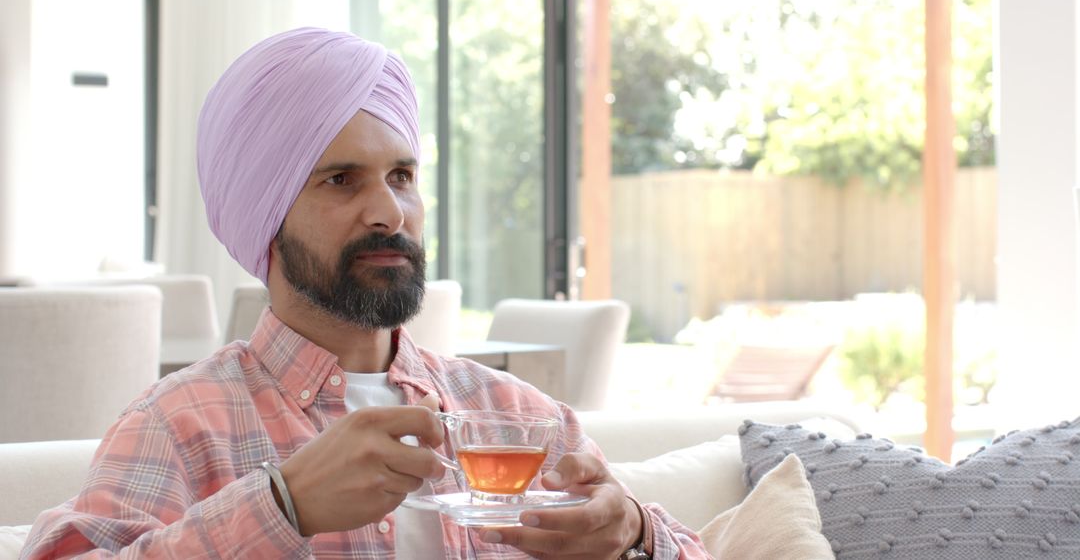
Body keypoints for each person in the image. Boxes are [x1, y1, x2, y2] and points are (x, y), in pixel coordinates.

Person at [20, 27, 709, 559]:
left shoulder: (515, 415)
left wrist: (635, 534)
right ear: (266, 214)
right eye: (340, 180)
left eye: (402, 176)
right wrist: (280, 507)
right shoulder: (180, 424)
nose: (389, 211)